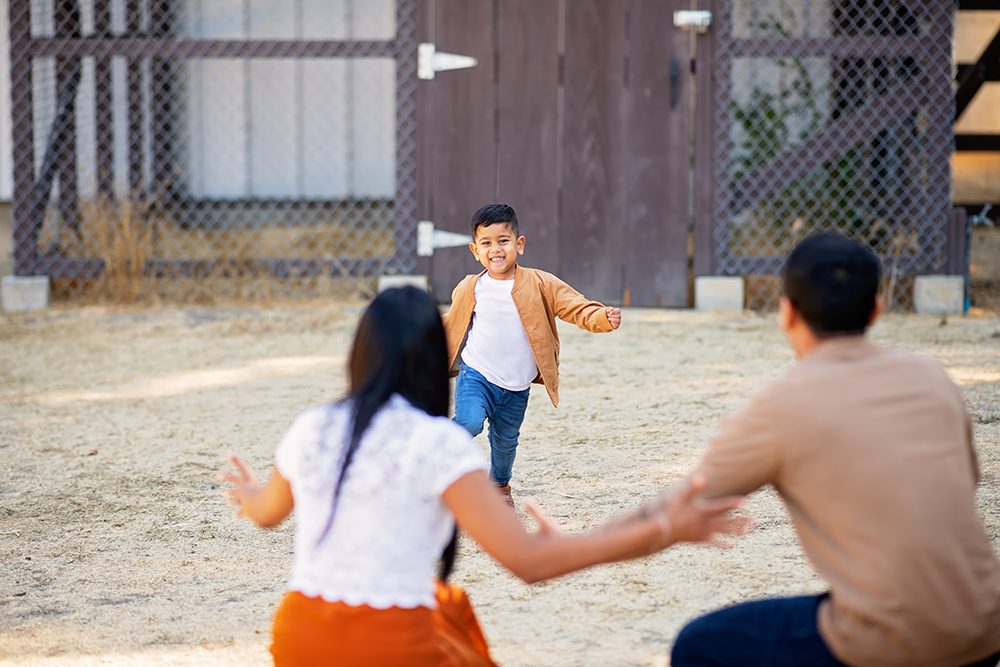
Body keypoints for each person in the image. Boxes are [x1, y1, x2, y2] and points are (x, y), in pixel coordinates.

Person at [221, 286, 749, 667]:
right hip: (392, 642)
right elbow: (530, 563)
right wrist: (663, 526)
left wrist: (247, 493)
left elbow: (267, 514)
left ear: (358, 355)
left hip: (299, 637)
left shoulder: (313, 426)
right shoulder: (439, 445)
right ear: (435, 359)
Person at [666, 234, 1000, 667]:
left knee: (698, 646)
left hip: (895, 640)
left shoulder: (782, 405)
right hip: (984, 627)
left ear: (786, 313)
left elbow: (678, 507)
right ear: (877, 311)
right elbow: (965, 485)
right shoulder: (932, 376)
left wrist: (574, 550)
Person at [444, 203, 621, 506]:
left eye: (503, 241)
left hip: (516, 386)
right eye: (486, 243)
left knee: (505, 442)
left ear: (519, 244)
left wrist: (601, 317)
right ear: (475, 250)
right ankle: (433, 450)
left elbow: (573, 305)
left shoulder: (540, 283)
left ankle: (500, 486)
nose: (495, 249)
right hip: (477, 374)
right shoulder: (471, 287)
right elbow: (449, 324)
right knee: (470, 421)